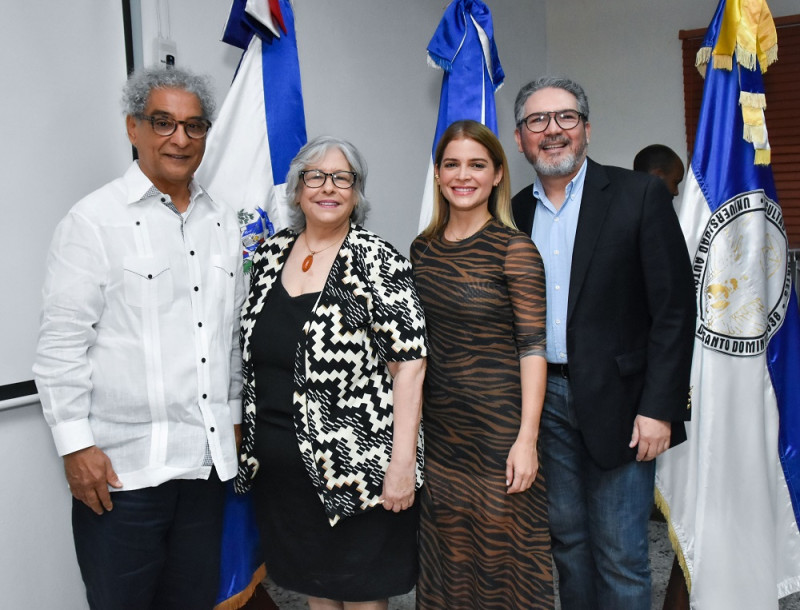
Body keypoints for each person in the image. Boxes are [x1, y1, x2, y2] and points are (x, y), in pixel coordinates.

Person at [33, 67, 244, 609]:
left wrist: (235, 419)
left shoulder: (223, 222)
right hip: (123, 476)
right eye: (163, 122)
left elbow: (230, 339)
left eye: (194, 126)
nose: (180, 138)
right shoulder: (93, 222)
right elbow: (61, 346)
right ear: (133, 129)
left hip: (205, 470)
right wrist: (75, 445)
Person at [511, 77, 696, 609]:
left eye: (565, 118)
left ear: (587, 130)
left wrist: (660, 409)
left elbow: (673, 311)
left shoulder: (637, 195)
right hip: (543, 405)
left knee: (621, 555)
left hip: (624, 406)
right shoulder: (514, 212)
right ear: (521, 139)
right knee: (567, 546)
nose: (552, 131)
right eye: (537, 121)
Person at [234, 136, 427, 610]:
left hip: (359, 469)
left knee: (361, 595)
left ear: (357, 193)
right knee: (316, 591)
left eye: (343, 178)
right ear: (297, 189)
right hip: (282, 471)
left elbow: (411, 363)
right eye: (315, 176)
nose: (329, 187)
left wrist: (401, 463)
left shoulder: (375, 258)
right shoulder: (271, 255)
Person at [411, 120, 552, 608]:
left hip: (500, 437)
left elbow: (533, 350)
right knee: (447, 562)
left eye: (477, 164)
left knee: (504, 567)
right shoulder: (421, 250)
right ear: (437, 174)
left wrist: (527, 441)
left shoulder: (515, 250)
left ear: (496, 175)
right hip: (443, 438)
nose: (463, 175)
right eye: (452, 164)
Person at [634, 144, 691, 610]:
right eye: (673, 187)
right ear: (657, 178)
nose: (675, 196)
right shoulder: (656, 222)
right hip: (642, 393)